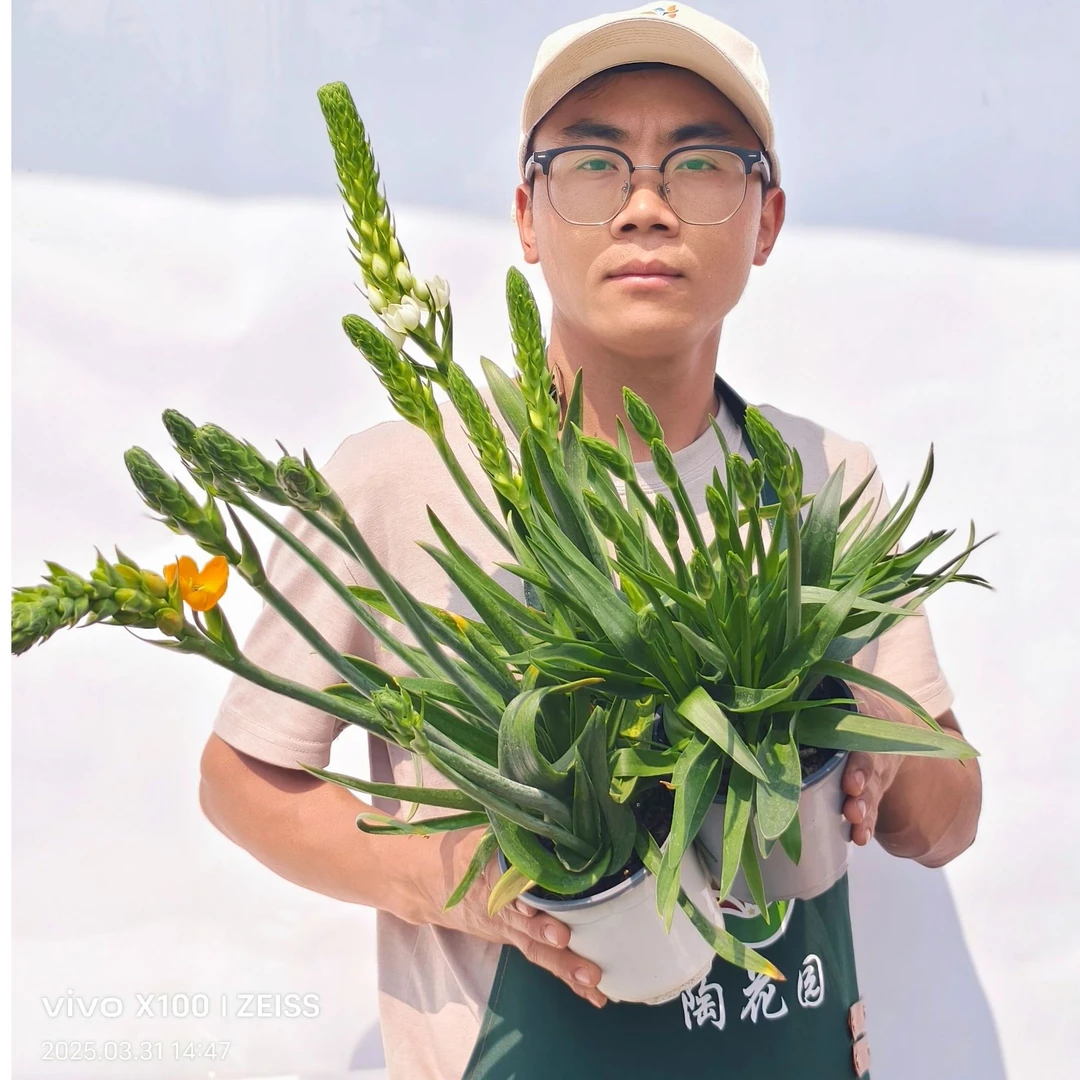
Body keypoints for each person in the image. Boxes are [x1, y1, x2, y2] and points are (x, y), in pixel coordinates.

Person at [198, 5, 982, 1078]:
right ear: (527, 215)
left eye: (701, 164)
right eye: (594, 163)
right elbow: (240, 776)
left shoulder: (824, 481)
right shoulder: (401, 479)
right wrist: (442, 872)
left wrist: (884, 734)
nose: (647, 206)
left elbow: (948, 822)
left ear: (767, 219)